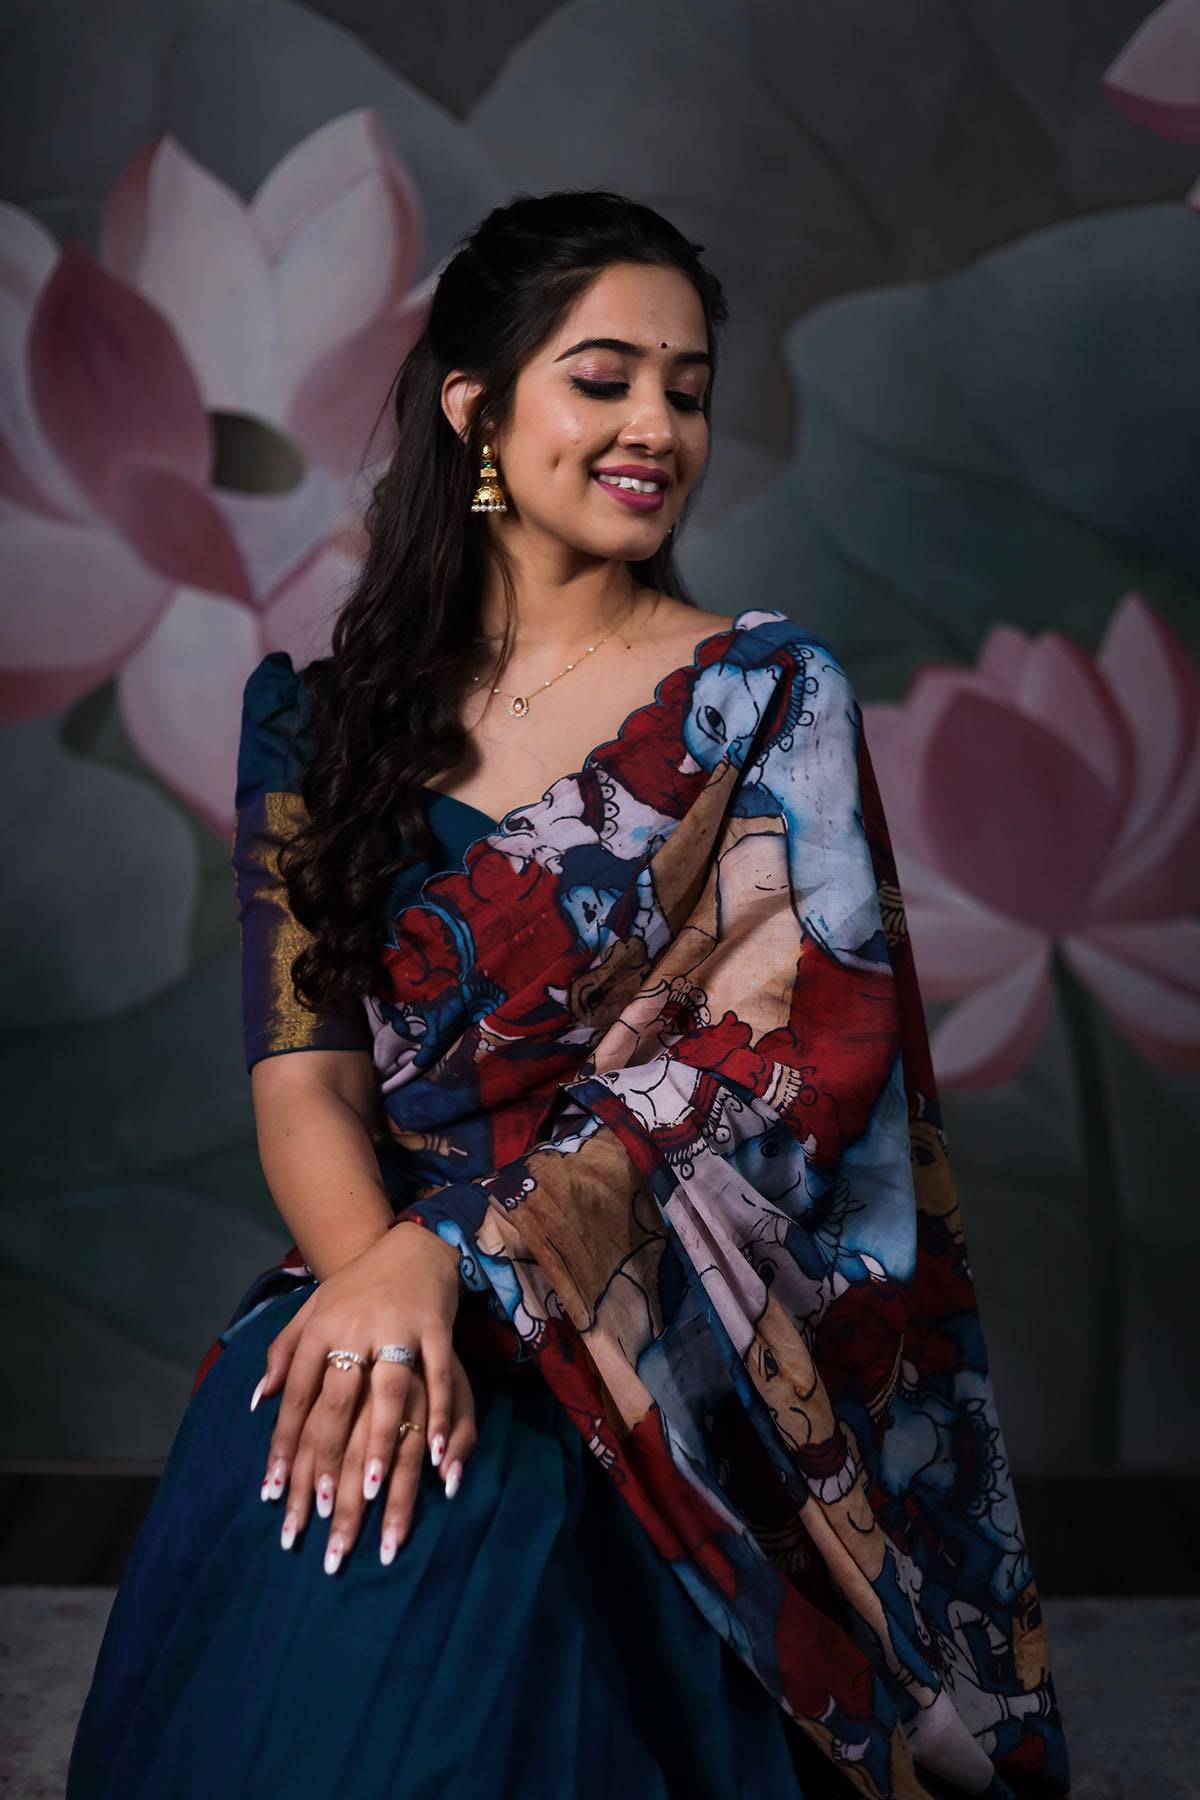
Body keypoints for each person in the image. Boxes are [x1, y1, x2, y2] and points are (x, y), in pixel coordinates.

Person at [67, 190, 1070, 1800]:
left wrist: (467, 1260)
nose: (654, 427)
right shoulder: (320, 727)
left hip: (659, 1311)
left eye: (684, 388)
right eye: (602, 379)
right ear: (475, 406)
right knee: (321, 1479)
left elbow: (786, 1074)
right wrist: (387, 1314)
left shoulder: (760, 692)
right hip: (377, 1264)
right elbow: (306, 1072)